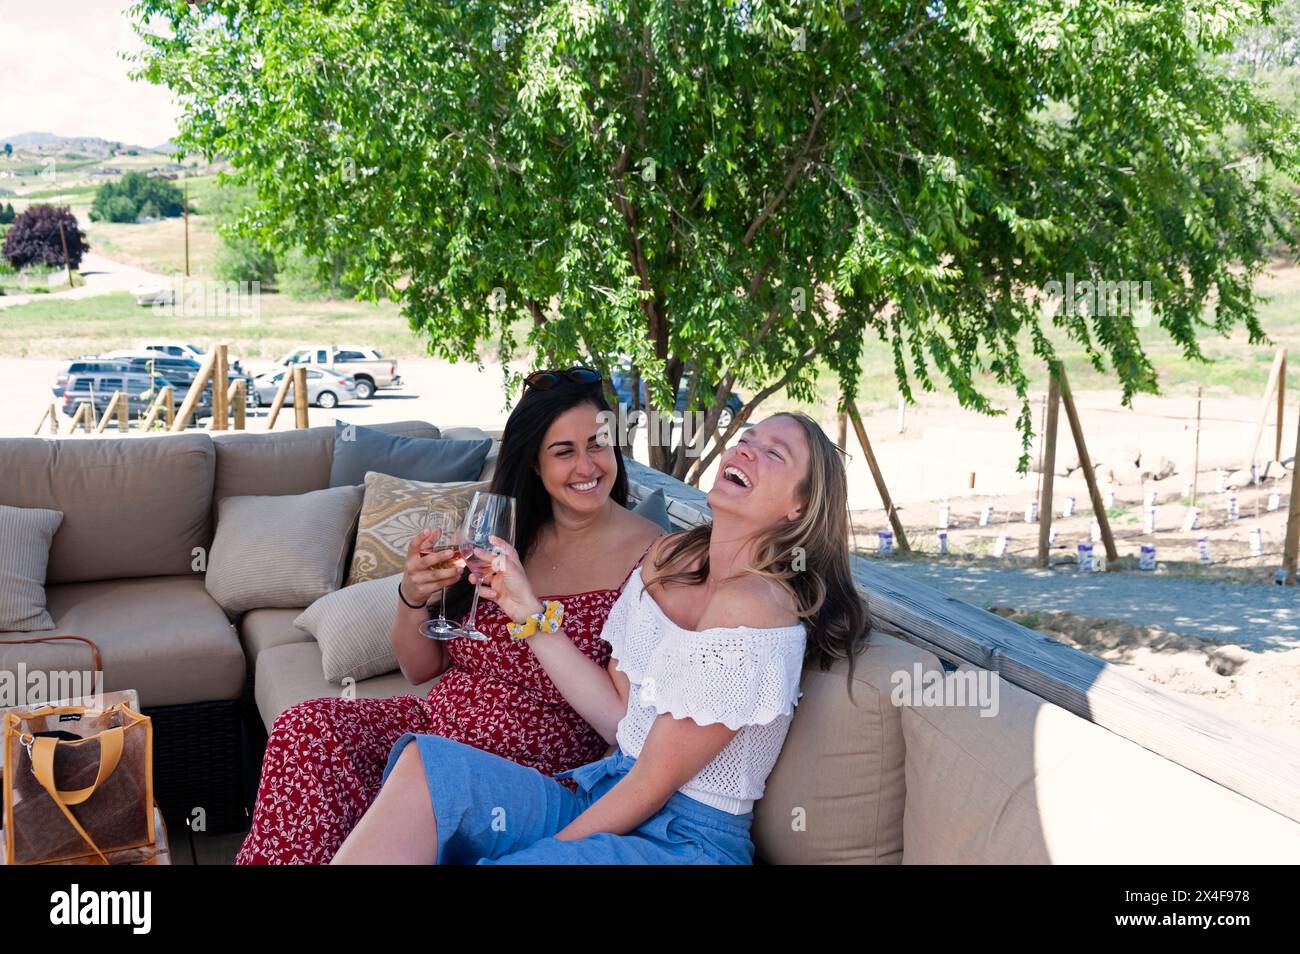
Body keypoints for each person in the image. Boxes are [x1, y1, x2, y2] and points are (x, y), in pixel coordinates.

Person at [332, 412, 868, 864]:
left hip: (684, 839)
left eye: (774, 454)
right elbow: (617, 715)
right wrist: (528, 610)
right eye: (746, 438)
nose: (746, 450)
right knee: (429, 768)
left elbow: (655, 781)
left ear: (799, 506)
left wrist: (544, 849)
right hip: (609, 784)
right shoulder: (669, 559)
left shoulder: (755, 607)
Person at [234, 368, 664, 864]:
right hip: (435, 722)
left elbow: (623, 725)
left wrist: (536, 615)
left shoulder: (650, 558)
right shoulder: (505, 532)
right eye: (564, 451)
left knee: (409, 770)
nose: (587, 465)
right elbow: (422, 669)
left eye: (598, 445)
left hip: (537, 765)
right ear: (534, 465)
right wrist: (412, 594)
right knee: (307, 727)